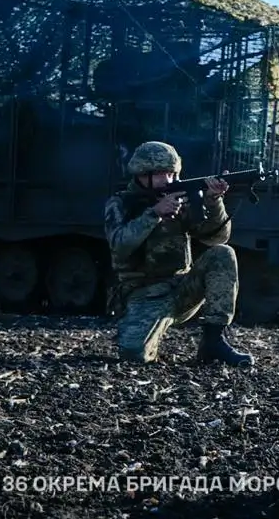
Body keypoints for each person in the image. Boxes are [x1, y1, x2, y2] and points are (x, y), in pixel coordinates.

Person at [103, 140, 253, 367]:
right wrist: (154, 214)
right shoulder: (120, 203)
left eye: (172, 173)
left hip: (182, 288)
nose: (169, 180)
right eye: (162, 173)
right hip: (144, 295)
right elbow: (119, 245)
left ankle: (213, 341)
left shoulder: (180, 199)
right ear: (143, 174)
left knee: (223, 253)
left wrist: (214, 202)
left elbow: (215, 238)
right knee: (133, 355)